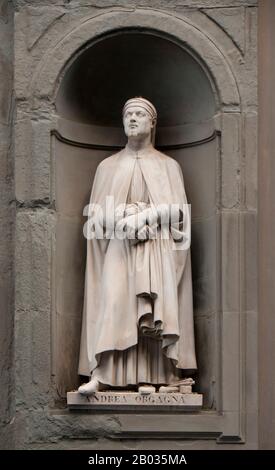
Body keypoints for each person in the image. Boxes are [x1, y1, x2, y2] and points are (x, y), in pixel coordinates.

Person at [78, 97, 197, 395]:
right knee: (115, 303)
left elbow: (180, 212)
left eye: (139, 114)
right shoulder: (107, 167)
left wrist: (148, 216)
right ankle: (105, 374)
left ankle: (155, 377)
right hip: (120, 246)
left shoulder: (168, 166)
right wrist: (122, 220)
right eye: (128, 114)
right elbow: (94, 216)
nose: (132, 119)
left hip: (156, 247)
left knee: (154, 308)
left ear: (151, 123)